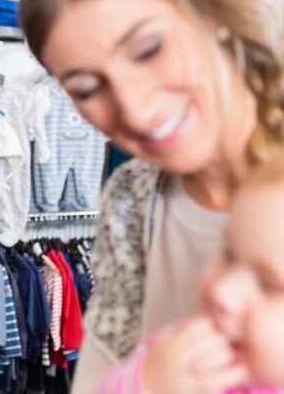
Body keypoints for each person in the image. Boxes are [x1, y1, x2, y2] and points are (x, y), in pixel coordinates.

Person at [18, 0, 284, 392]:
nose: (136, 110)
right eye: (86, 89)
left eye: (149, 50)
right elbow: (100, 375)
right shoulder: (131, 199)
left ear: (214, 16)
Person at [98, 156, 284, 393]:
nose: (222, 291)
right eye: (229, 255)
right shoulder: (183, 354)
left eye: (269, 285)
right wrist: (149, 384)